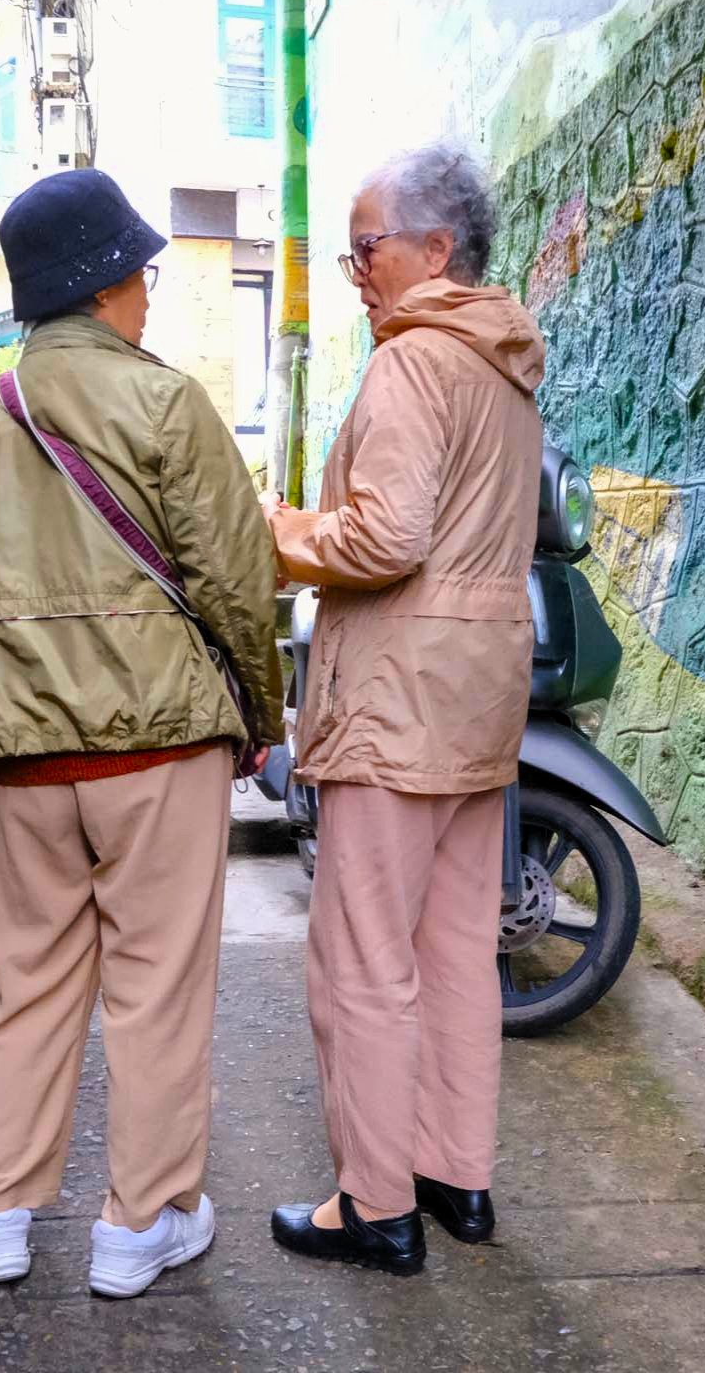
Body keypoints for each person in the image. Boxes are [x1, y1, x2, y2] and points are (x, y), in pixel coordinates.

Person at [0, 169, 283, 1298]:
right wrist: (262, 716)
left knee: (26, 981)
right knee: (155, 986)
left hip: (24, 756)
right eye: (143, 274)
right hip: (161, 744)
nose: (149, 295)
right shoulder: (167, 403)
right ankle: (141, 1222)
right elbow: (236, 580)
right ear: (112, 281)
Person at [262, 140, 545, 1274]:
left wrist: (277, 530)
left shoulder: (411, 364)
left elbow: (384, 538)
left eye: (367, 245)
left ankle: (373, 1203)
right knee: (456, 951)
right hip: (478, 699)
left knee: (363, 960)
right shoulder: (505, 364)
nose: (357, 269)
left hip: (392, 706)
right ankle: (454, 1176)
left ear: (435, 248)